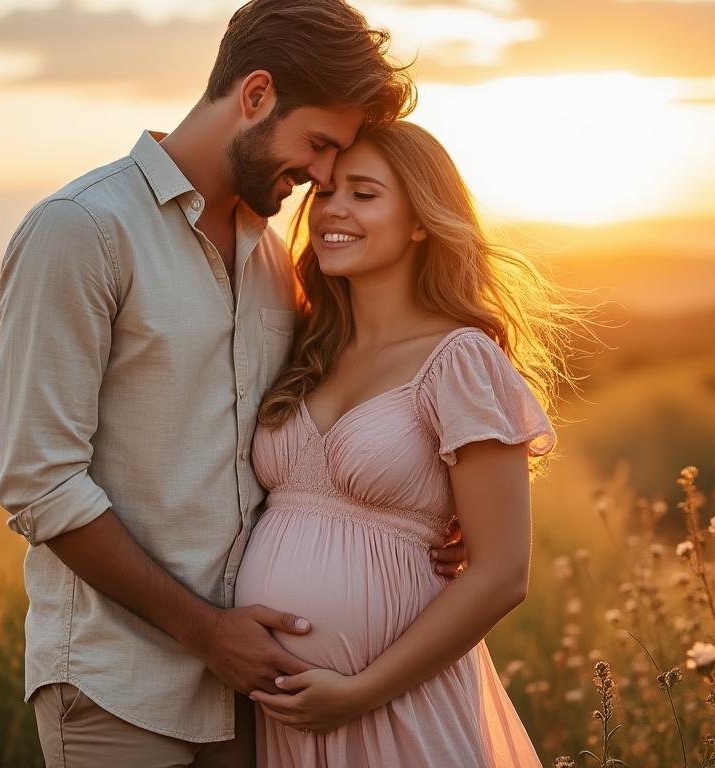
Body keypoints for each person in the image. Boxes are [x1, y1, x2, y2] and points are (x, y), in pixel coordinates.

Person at [0, 2, 467, 765]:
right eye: (317, 144)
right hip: (122, 685)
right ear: (255, 96)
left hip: (256, 697)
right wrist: (207, 633)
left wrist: (433, 511)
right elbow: (40, 484)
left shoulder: (271, 254)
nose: (321, 177)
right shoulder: (82, 229)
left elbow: (309, 433)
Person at [234, 120, 580, 766]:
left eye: (365, 195)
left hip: (397, 712)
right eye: (328, 193)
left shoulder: (459, 360)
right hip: (285, 723)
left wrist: (359, 691)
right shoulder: (308, 344)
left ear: (421, 220)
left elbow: (504, 574)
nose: (334, 210)